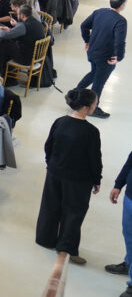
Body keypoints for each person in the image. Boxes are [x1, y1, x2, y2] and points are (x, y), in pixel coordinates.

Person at [34, 88, 103, 266]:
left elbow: (48, 146)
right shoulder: (91, 132)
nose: (96, 106)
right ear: (86, 108)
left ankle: (45, 238)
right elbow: (95, 159)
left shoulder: (60, 122)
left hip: (55, 172)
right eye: (95, 104)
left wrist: (50, 164)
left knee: (50, 206)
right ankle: (66, 247)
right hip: (78, 180)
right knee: (73, 212)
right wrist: (97, 179)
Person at [76, 0, 127, 117]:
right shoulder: (120, 21)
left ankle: (75, 93)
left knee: (94, 73)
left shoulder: (99, 12)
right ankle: (93, 109)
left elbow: (84, 25)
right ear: (121, 5)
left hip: (92, 52)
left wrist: (87, 40)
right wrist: (119, 57)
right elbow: (119, 41)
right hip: (106, 57)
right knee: (99, 83)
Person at [106, 149, 132, 297]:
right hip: (130, 198)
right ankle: (129, 263)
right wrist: (118, 185)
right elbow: (130, 162)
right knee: (128, 234)